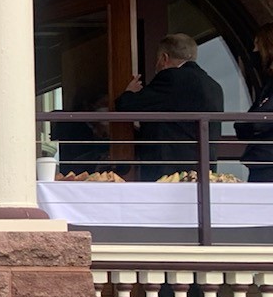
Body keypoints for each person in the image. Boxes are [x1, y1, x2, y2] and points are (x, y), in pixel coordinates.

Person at [115, 33, 225, 180]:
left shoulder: (172, 78)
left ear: (164, 58)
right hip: (203, 173)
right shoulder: (214, 86)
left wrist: (129, 92)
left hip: (170, 174)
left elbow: (127, 106)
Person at [235, 23, 273, 182]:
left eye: (257, 45)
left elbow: (258, 121)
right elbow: (246, 125)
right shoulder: (268, 84)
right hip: (262, 163)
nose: (254, 51)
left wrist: (248, 124)